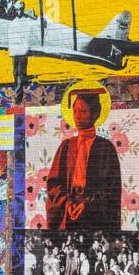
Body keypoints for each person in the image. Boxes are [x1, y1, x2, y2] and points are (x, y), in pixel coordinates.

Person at [46, 90, 121, 231]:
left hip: (95, 214)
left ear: (95, 114)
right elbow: (53, 184)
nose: (77, 116)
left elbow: (112, 188)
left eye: (83, 111)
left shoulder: (106, 147)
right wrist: (67, 204)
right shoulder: (66, 146)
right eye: (75, 111)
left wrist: (88, 204)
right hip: (68, 210)